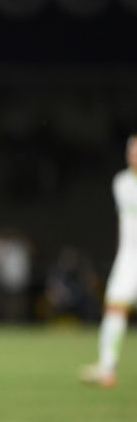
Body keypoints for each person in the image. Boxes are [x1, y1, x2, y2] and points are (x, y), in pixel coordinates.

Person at [80, 133, 137, 388]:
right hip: (129, 257)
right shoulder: (122, 182)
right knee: (114, 307)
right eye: (131, 150)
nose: (133, 154)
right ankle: (107, 368)